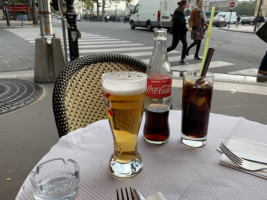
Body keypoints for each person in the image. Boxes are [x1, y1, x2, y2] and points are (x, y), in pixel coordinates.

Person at [167, 0, 188, 64]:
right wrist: (184, 21)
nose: (186, 6)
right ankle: (162, 53)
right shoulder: (178, 12)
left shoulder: (181, 11)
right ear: (182, 5)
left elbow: (182, 21)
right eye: (185, 5)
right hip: (177, 32)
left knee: (185, 44)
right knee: (173, 47)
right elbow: (179, 21)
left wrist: (185, 26)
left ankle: (182, 59)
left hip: (182, 32)